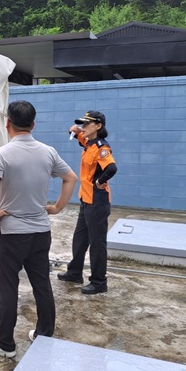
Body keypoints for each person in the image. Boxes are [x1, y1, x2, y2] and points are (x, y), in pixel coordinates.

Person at [0, 100, 78, 358]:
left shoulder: (1, 154)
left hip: (12, 234)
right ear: (33, 125)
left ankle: (4, 344)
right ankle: (44, 333)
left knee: (8, 288)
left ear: (7, 123)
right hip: (40, 232)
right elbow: (71, 178)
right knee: (41, 283)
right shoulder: (48, 152)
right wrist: (57, 207)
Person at [58, 110, 118, 295]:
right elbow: (80, 138)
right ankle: (75, 272)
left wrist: (99, 181)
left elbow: (111, 168)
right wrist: (76, 131)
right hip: (85, 199)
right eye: (82, 124)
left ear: (98, 126)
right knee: (79, 239)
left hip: (97, 202)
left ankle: (99, 282)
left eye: (87, 124)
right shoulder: (89, 143)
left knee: (97, 243)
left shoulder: (101, 147)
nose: (83, 127)